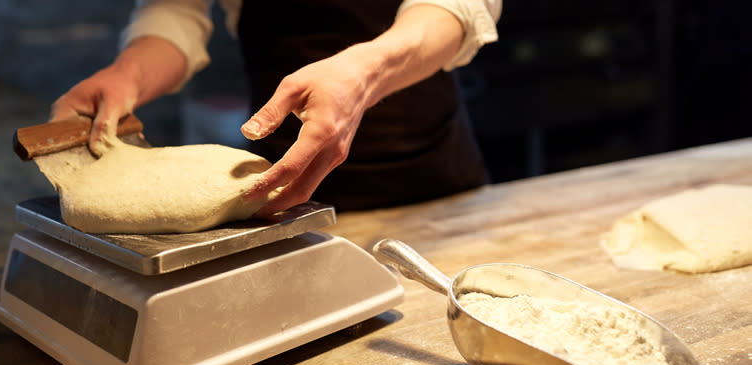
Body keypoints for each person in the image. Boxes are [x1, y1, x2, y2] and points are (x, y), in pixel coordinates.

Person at [50, 0, 503, 215]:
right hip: (283, 191)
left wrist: (366, 73)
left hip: (433, 178)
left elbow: (457, 6)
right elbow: (175, 13)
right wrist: (128, 73)